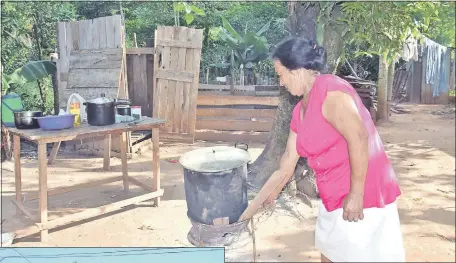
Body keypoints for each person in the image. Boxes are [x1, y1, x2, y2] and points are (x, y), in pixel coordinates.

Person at [264, 37, 406, 262]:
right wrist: (266, 198)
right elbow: (288, 160)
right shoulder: (300, 110)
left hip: (361, 194)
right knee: (330, 252)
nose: (281, 82)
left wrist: (356, 195)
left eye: (280, 74)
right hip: (332, 193)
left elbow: (359, 138)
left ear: (298, 70)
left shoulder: (331, 91)